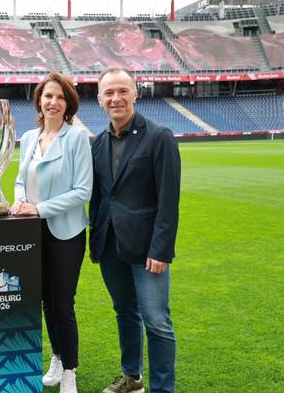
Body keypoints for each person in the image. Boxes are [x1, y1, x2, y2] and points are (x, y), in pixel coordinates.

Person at [89, 67, 180, 393]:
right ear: (99, 99)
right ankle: (132, 377)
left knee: (156, 321)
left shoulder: (159, 137)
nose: (116, 98)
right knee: (125, 312)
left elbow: (168, 201)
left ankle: (162, 389)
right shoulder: (98, 142)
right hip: (110, 247)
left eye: (122, 91)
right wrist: (95, 242)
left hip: (147, 250)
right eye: (109, 93)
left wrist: (161, 250)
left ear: (135, 94)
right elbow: (99, 197)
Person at [10, 72, 93, 393]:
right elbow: (21, 180)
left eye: (60, 97)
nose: (53, 102)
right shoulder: (30, 137)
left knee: (63, 303)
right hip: (33, 231)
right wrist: (20, 200)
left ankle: (70, 370)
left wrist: (39, 208)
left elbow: (82, 191)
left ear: (68, 104)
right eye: (48, 96)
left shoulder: (76, 138)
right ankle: (57, 358)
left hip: (66, 232)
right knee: (45, 299)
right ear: (39, 101)